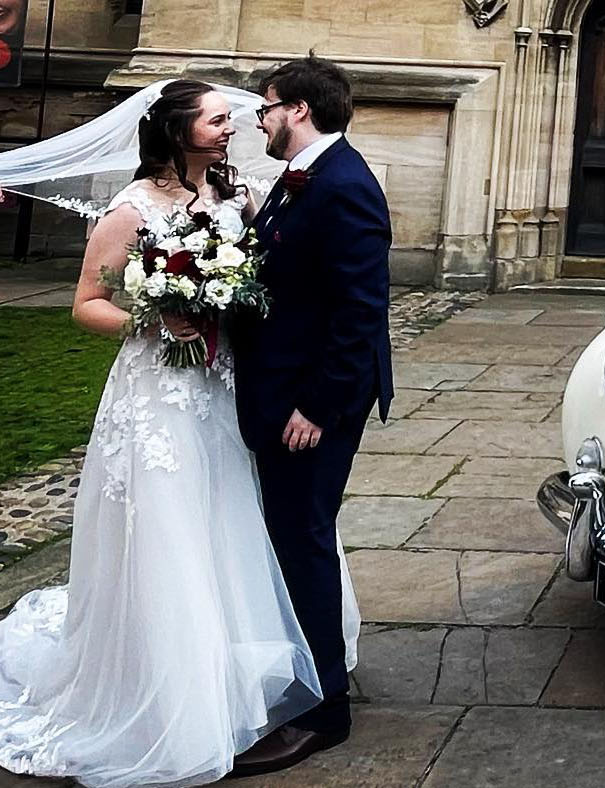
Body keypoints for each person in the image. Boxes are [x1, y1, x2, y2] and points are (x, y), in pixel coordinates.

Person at [0, 79, 359, 787]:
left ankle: (243, 673)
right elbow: (86, 304)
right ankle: (168, 687)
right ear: (177, 130)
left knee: (233, 524)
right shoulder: (130, 209)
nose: (233, 129)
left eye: (234, 120)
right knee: (169, 532)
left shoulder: (239, 198)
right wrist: (157, 318)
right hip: (159, 393)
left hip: (227, 391)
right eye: (218, 120)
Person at [228, 56, 393, 776]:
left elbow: (360, 312)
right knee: (291, 539)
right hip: (282, 389)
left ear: (296, 108)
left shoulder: (345, 185)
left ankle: (325, 714)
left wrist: (316, 407)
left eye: (264, 109)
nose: (258, 122)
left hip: (312, 404)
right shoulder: (304, 183)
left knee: (303, 541)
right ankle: (307, 674)